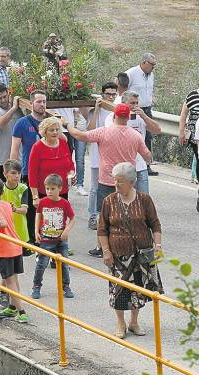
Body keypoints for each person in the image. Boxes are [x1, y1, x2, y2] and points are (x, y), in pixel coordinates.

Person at [64, 103, 151, 258]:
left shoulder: (104, 132)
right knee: (127, 213)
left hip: (106, 180)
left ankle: (100, 247)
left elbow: (80, 135)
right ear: (128, 118)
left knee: (103, 216)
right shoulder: (135, 135)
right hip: (128, 182)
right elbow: (148, 157)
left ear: (114, 116)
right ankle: (127, 243)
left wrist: (67, 125)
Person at [98, 162, 163, 339]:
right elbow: (102, 229)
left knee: (138, 290)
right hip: (118, 255)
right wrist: (106, 251)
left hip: (141, 255)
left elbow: (155, 224)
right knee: (118, 291)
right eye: (115, 181)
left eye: (120, 181)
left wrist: (157, 246)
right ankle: (121, 323)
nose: (116, 185)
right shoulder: (109, 201)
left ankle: (134, 322)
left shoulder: (144, 199)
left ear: (131, 182)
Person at [0, 177, 29, 323]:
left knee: (10, 282)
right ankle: (12, 306)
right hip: (16, 245)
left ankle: (21, 312)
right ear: (3, 191)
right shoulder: (7, 205)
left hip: (4, 249)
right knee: (14, 279)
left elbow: (1, 223)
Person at [104, 91, 162, 194]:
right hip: (123, 166)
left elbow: (157, 130)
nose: (135, 106)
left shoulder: (140, 117)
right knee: (124, 198)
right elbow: (111, 136)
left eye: (136, 103)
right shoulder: (112, 117)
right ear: (123, 104)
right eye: (132, 103)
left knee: (143, 198)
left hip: (140, 166)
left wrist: (144, 116)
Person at [10, 90, 47, 247]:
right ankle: (32, 239)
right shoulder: (22, 123)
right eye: (39, 101)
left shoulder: (50, 122)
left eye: (44, 102)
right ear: (31, 104)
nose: (42, 105)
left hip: (47, 173)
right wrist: (13, 171)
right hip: (28, 171)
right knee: (32, 208)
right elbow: (15, 148)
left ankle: (48, 237)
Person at [32, 174, 75, 300]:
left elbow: (72, 219)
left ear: (60, 189)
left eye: (53, 189)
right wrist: (36, 231)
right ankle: (36, 286)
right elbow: (38, 215)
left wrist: (66, 230)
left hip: (61, 239)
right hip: (46, 239)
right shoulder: (43, 202)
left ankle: (66, 286)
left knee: (64, 264)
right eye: (47, 189)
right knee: (41, 264)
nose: (49, 191)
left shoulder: (64, 203)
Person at [0, 159, 30, 307]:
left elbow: (25, 209)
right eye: (13, 173)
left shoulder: (23, 188)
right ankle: (8, 295)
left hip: (19, 233)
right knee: (10, 267)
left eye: (19, 173)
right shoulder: (0, 190)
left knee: (14, 268)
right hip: (5, 233)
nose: (17, 176)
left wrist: (14, 209)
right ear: (5, 174)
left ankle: (4, 291)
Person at [86, 83, 118, 230]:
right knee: (94, 188)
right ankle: (92, 216)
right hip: (96, 156)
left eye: (113, 94)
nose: (110, 97)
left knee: (112, 187)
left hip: (111, 157)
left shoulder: (116, 111)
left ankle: (108, 216)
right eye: (108, 94)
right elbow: (90, 130)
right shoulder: (96, 111)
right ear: (102, 94)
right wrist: (97, 109)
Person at [125, 53, 158, 176]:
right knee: (133, 134)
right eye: (151, 64)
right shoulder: (131, 73)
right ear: (144, 62)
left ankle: (146, 164)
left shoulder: (151, 75)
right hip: (133, 108)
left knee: (148, 137)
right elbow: (122, 88)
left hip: (146, 109)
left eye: (154, 65)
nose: (153, 67)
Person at [28, 117, 75, 202]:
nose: (55, 132)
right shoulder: (37, 147)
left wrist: (72, 173)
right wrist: (35, 196)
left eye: (57, 129)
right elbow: (32, 174)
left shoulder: (63, 143)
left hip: (62, 191)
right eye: (51, 130)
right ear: (44, 132)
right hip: (45, 192)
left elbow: (70, 164)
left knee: (62, 215)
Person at [0, 83, 22, 179]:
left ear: (8, 94)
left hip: (16, 159)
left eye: (5, 97)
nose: (3, 100)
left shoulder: (18, 109)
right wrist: (13, 108)